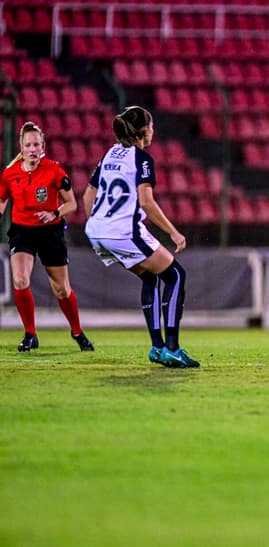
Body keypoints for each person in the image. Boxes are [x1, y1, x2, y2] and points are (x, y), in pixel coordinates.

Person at [83, 106, 199, 368]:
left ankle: (157, 348)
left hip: (97, 230)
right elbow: (146, 202)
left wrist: (99, 224)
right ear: (144, 131)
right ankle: (172, 347)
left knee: (149, 276)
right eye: (152, 126)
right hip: (123, 231)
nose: (154, 131)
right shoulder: (142, 158)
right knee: (175, 275)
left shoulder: (109, 154)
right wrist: (173, 231)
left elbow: (88, 196)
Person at [0, 121, 94, 352]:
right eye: (28, 144)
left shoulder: (54, 171)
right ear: (21, 147)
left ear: (42, 146)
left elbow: (71, 204)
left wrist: (53, 212)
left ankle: (77, 332)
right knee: (20, 280)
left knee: (62, 289)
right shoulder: (9, 174)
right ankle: (30, 334)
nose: (32, 148)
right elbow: (2, 199)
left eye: (36, 144)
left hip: (50, 232)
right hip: (22, 232)